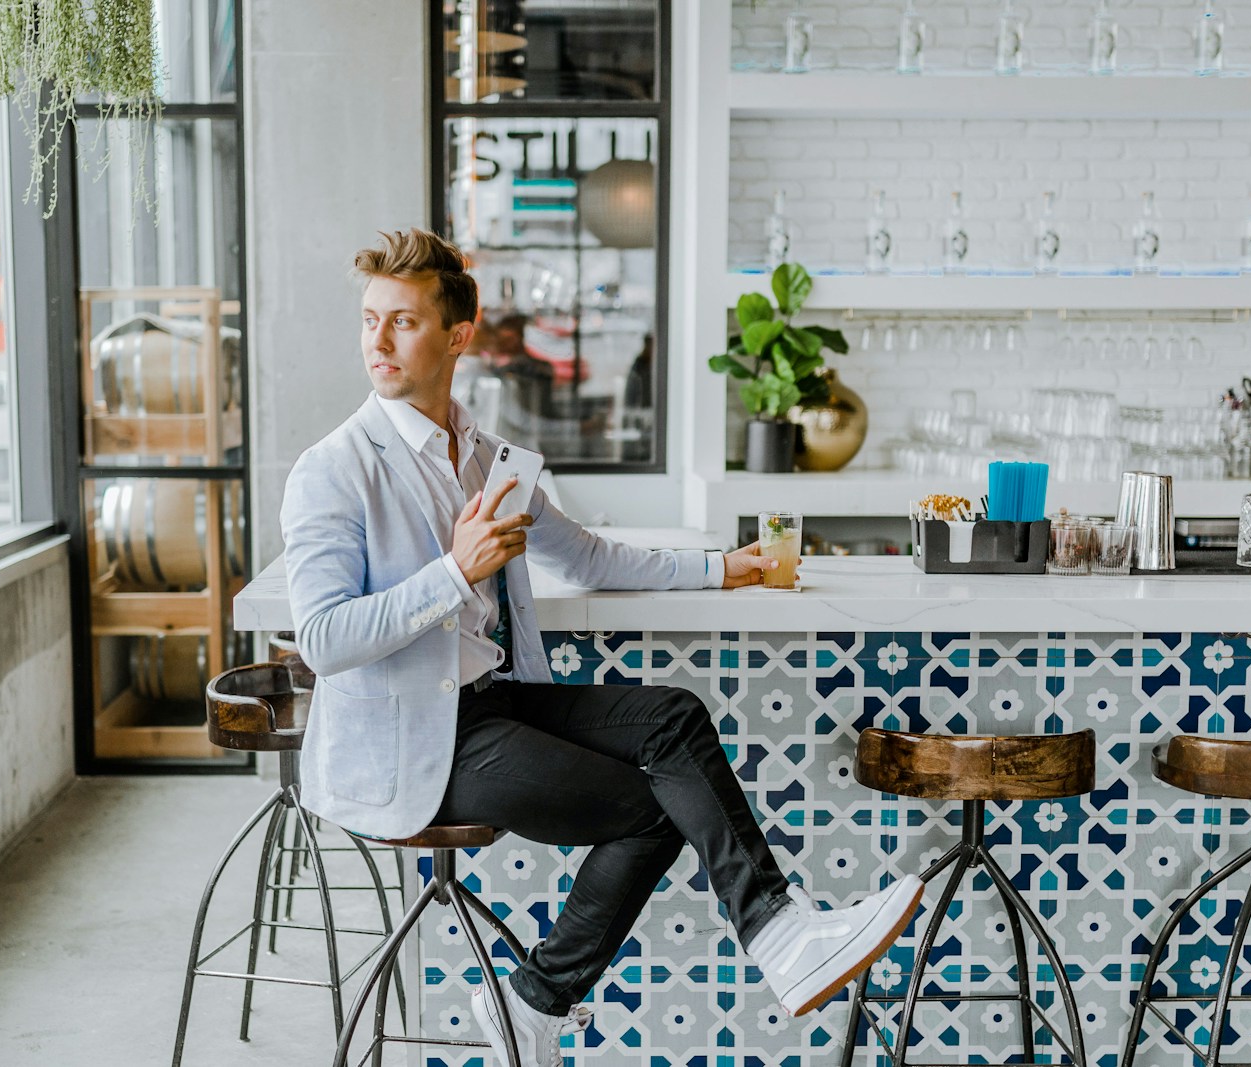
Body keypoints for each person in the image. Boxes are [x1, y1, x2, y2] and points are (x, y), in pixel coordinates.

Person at [280, 229, 924, 1065]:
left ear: (457, 334)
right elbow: (324, 640)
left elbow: (584, 555)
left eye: (402, 321)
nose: (378, 340)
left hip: (490, 700)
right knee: (659, 809)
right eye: (370, 320)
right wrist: (454, 571)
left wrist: (721, 568)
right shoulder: (332, 469)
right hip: (416, 744)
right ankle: (548, 998)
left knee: (673, 721)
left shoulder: (481, 457)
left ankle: (775, 934)